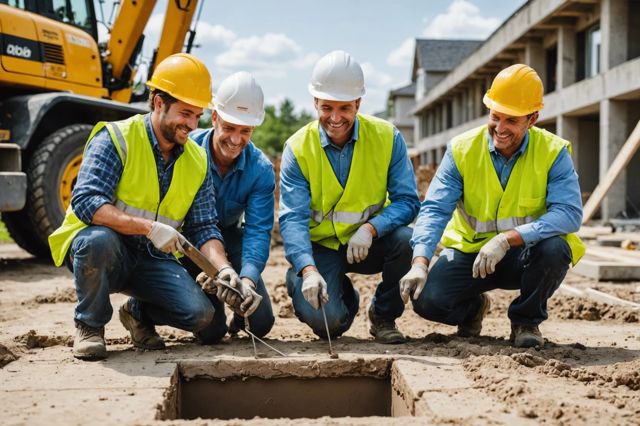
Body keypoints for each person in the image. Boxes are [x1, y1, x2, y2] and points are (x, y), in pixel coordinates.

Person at [48, 54, 260, 360]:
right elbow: (85, 202)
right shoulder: (117, 138)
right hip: (107, 251)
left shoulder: (196, 159)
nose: (191, 125)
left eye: (197, 116)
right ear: (158, 103)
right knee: (98, 240)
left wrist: (223, 269)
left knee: (206, 320)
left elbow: (204, 226)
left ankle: (136, 312)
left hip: (150, 258)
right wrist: (147, 227)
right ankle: (90, 326)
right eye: (185, 113)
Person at [399, 64, 585, 348]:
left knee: (556, 248)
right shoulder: (462, 150)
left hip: (524, 254)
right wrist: (420, 262)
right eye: (495, 117)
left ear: (532, 118)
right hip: (470, 254)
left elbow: (569, 214)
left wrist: (507, 239)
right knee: (427, 301)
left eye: (511, 120)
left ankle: (526, 320)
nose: (499, 128)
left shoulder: (552, 152)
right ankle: (473, 309)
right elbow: (435, 209)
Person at [279, 50, 420, 344]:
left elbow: (408, 201)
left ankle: (382, 316)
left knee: (408, 241)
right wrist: (307, 270)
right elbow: (292, 219)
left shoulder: (387, 137)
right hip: (322, 249)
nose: (334, 117)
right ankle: (326, 287)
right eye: (326, 107)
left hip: (368, 244)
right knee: (329, 323)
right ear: (315, 102)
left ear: (358, 103)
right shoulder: (298, 147)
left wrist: (370, 229)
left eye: (344, 108)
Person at [187, 71, 275, 340]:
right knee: (211, 333)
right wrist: (207, 269)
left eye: (245, 131)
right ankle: (141, 310)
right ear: (214, 118)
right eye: (229, 128)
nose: (236, 139)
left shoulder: (260, 169)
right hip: (187, 242)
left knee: (260, 323)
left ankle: (239, 313)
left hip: (230, 238)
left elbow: (258, 230)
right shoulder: (188, 153)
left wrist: (247, 280)